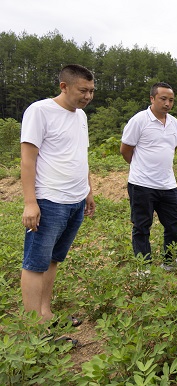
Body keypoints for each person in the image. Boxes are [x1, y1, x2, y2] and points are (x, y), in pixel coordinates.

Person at [20, 64, 96, 328]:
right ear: (64, 86)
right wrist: (31, 203)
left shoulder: (81, 116)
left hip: (75, 200)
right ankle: (33, 328)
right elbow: (28, 160)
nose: (87, 97)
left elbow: (80, 155)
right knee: (35, 263)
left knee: (53, 259)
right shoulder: (40, 111)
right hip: (49, 200)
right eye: (82, 90)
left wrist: (88, 190)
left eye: (91, 91)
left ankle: (46, 313)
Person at [120, 82, 177, 271]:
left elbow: (173, 148)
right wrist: (141, 167)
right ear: (152, 99)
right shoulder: (139, 120)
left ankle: (169, 261)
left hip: (168, 184)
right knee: (141, 226)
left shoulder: (174, 123)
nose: (167, 104)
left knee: (174, 223)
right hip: (141, 184)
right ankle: (144, 267)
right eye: (163, 99)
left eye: (171, 100)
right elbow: (125, 150)